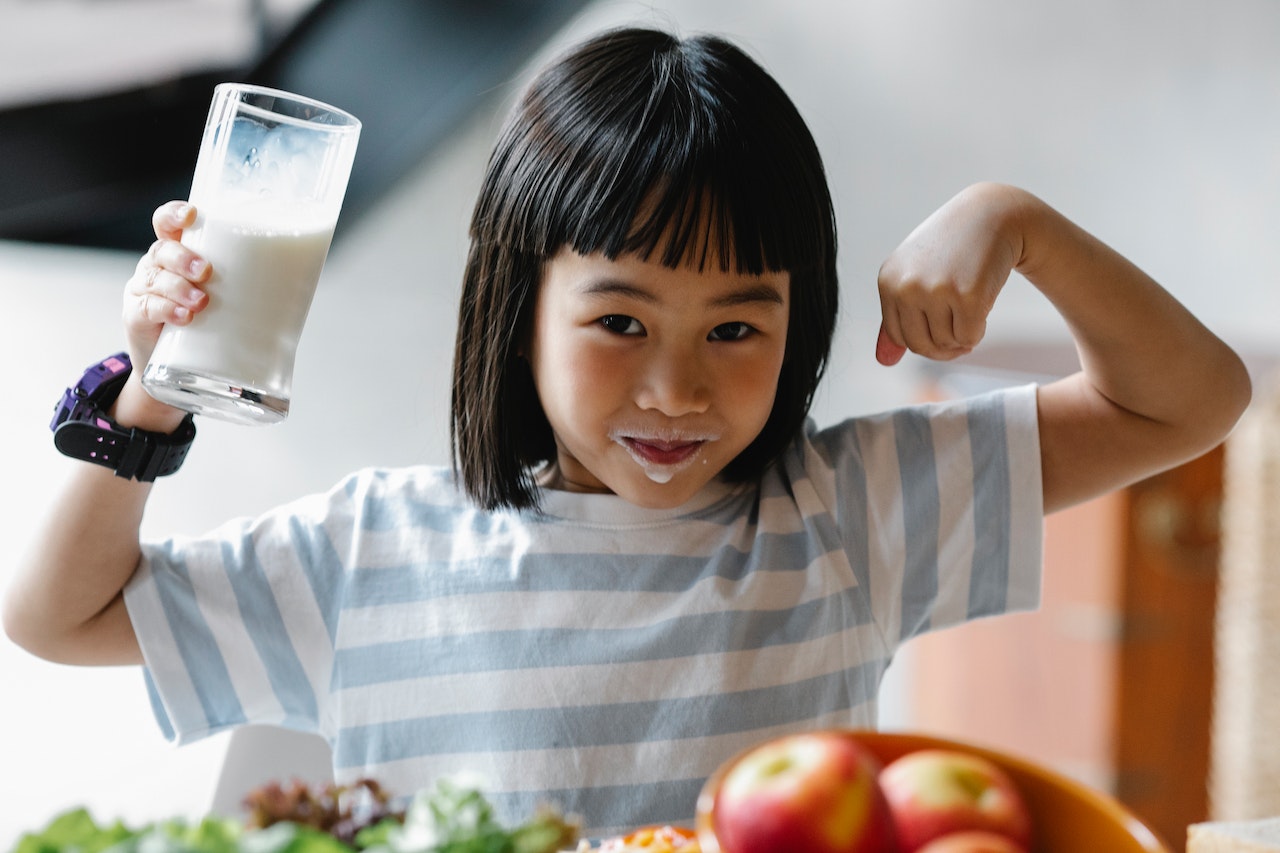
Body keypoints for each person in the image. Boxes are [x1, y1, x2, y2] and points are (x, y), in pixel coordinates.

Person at [3, 26, 1250, 839]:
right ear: (517, 307)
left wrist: (1013, 219)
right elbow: (58, 615)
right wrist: (153, 391)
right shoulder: (375, 544)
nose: (674, 392)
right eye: (618, 321)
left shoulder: (850, 509)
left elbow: (1188, 399)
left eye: (733, 330)